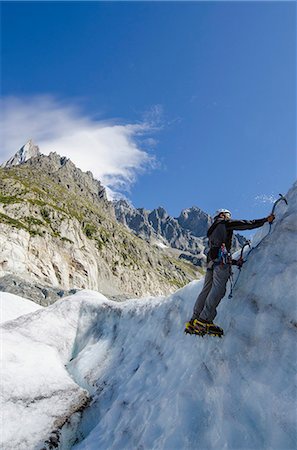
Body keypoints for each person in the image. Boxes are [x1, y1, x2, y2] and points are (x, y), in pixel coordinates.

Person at [185, 208, 275, 335]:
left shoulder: (213, 230)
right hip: (220, 262)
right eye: (228, 215)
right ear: (222, 215)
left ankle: (194, 321)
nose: (229, 217)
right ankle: (203, 320)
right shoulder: (224, 223)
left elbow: (216, 250)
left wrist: (233, 262)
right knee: (219, 289)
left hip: (211, 262)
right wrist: (265, 220)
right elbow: (246, 224)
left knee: (206, 290)